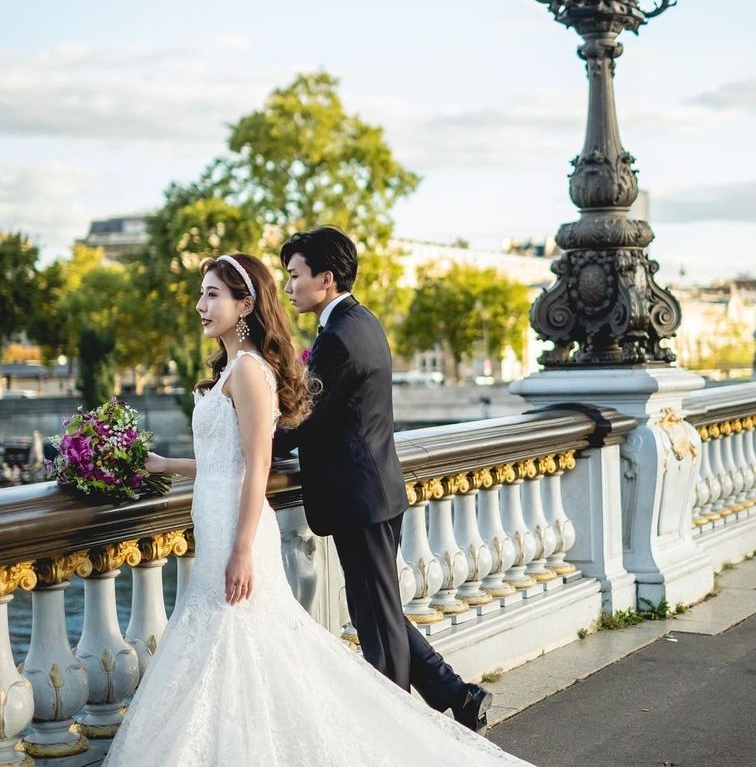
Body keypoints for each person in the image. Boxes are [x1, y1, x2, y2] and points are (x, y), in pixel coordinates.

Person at [103, 251, 531, 766]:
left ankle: (387, 727)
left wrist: (241, 550)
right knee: (241, 643)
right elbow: (226, 462)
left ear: (244, 305)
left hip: (241, 531)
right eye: (201, 294)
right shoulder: (231, 369)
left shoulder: (248, 371)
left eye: (212, 295)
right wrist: (163, 464)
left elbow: (258, 463)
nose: (200, 305)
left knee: (280, 638)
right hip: (217, 519)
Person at [275, 227, 492, 732]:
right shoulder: (362, 322)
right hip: (374, 492)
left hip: (359, 498)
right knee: (378, 607)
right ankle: (456, 696)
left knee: (376, 617)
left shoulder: (338, 338)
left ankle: (396, 728)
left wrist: (251, 447)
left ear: (325, 279)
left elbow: (306, 416)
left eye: (294, 275)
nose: (288, 287)